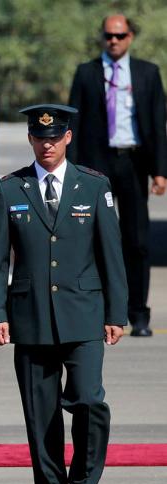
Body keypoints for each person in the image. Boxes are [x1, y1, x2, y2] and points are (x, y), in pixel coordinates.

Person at [0, 104, 127, 484]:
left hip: (84, 314)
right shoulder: (11, 189)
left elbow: (111, 255)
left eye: (54, 138)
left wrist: (116, 312)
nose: (47, 145)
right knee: (40, 415)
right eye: (39, 138)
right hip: (30, 317)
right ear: (30, 139)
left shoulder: (93, 186)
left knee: (88, 401)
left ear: (67, 138)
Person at [68, 13, 167, 336]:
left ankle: (138, 313)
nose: (113, 41)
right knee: (94, 238)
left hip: (133, 162)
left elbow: (158, 124)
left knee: (136, 241)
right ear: (102, 37)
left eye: (120, 35)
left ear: (130, 37)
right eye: (109, 35)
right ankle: (100, 310)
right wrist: (71, 170)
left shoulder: (147, 73)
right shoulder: (86, 73)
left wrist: (160, 171)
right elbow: (74, 125)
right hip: (96, 165)